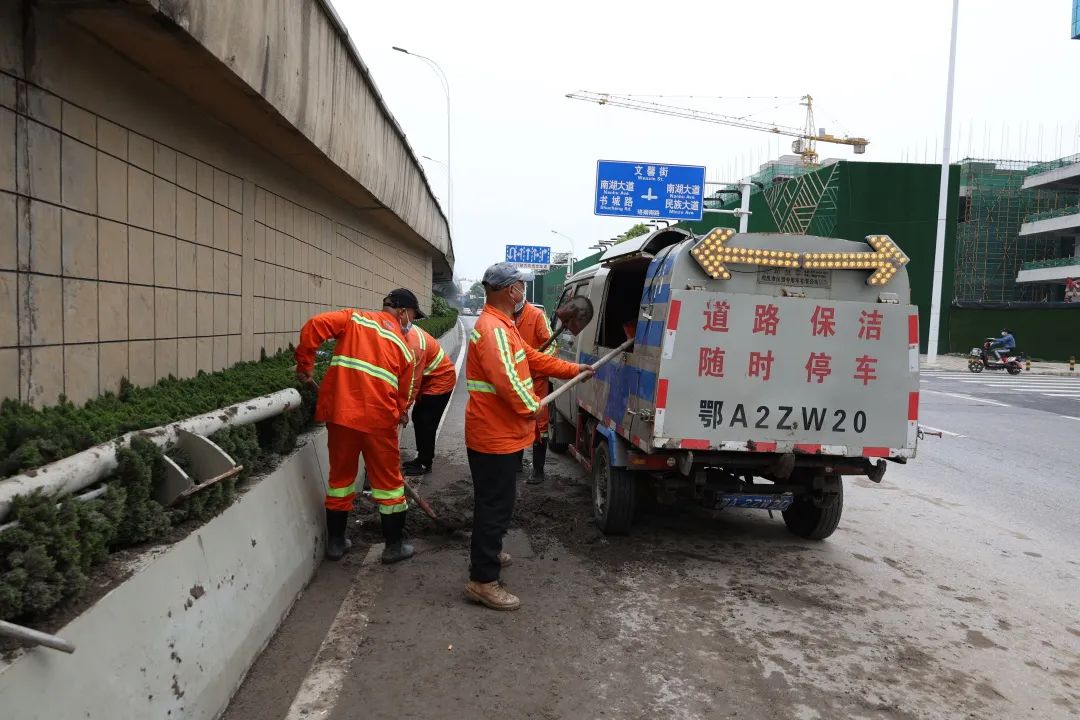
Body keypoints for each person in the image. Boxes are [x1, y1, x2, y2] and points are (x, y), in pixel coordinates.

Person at [464, 263, 592, 611]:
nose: (523, 290)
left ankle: (488, 552)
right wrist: (532, 407)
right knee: (493, 506)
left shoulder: (503, 326)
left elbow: (531, 358)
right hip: (493, 435)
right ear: (511, 291)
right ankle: (483, 580)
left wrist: (571, 369)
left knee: (496, 503)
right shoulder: (493, 330)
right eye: (521, 285)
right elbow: (508, 381)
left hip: (499, 432)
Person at [294, 288, 424, 564]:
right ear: (401, 311)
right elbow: (405, 393)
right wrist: (400, 413)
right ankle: (393, 547)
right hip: (379, 422)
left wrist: (305, 364)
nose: (411, 322)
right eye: (412, 315)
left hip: (342, 417)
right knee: (389, 484)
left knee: (340, 480)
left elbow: (314, 326)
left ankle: (337, 544)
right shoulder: (404, 348)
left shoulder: (355, 319)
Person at [401, 324, 457, 475]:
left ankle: (425, 463)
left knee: (426, 421)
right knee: (419, 418)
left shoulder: (414, 344)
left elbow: (413, 381)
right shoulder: (403, 333)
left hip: (440, 381)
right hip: (429, 379)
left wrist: (403, 409)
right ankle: (422, 458)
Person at [514, 300, 558, 484]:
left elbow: (552, 347)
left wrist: (534, 361)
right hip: (514, 380)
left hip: (536, 381)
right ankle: (515, 464)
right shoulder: (504, 315)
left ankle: (538, 470)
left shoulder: (537, 316)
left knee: (539, 426)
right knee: (514, 421)